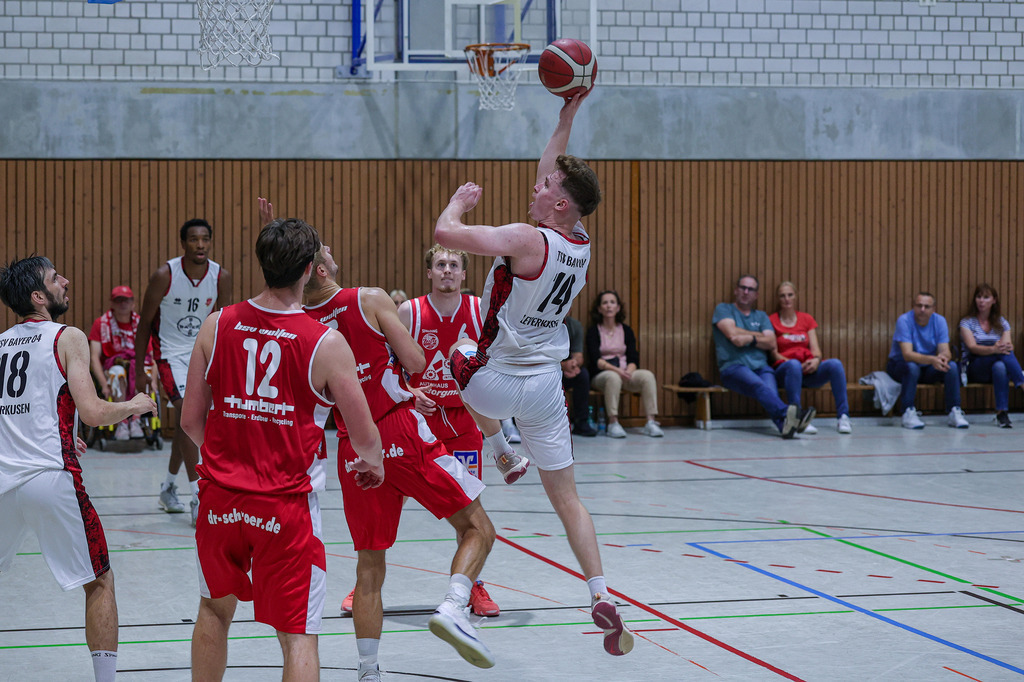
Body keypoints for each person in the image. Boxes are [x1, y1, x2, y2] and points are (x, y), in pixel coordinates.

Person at [435, 90, 636, 658]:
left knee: (458, 351)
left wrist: (457, 204)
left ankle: (501, 451)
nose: (537, 184)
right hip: (547, 387)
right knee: (568, 498)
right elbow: (555, 168)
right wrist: (568, 112)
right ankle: (600, 592)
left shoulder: (525, 240)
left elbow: (445, 234)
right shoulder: (581, 242)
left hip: (496, 380)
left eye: (546, 186)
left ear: (561, 204)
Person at [180, 218, 384, 682]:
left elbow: (190, 420)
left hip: (220, 500)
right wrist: (373, 463)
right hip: (285, 507)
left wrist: (231, 457)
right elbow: (365, 435)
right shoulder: (326, 342)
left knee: (213, 611)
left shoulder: (217, 324)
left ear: (262, 263)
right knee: (298, 634)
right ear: (310, 269)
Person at [298, 229, 497, 678]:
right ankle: (453, 606)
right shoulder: (368, 298)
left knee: (369, 567)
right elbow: (417, 361)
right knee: (479, 528)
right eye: (325, 248)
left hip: (352, 445)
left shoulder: (302, 321)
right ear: (321, 269)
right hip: (399, 431)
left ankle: (368, 670)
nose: (331, 248)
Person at [0, 256, 157, 682]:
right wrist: (133, 405)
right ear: (39, 297)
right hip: (50, 478)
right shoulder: (67, 336)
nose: (65, 282)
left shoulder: (1, 343)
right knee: (99, 581)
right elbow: (92, 411)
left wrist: (63, 433)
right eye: (56, 279)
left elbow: (19, 409)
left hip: (4, 482)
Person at [395, 244, 500, 617]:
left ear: (464, 274)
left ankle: (473, 586)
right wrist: (409, 392)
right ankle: (365, 583)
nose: (447, 270)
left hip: (463, 422)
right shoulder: (409, 312)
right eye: (440, 264)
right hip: (416, 422)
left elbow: (495, 362)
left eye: (454, 265)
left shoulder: (478, 310)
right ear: (429, 272)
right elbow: (385, 365)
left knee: (469, 511)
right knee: (390, 503)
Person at [134, 218, 232, 524]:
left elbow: (222, 325)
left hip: (202, 354)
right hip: (169, 355)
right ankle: (198, 497)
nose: (200, 245)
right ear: (183, 243)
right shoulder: (164, 275)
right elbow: (144, 325)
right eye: (193, 239)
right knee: (190, 415)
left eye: (205, 239)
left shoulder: (221, 277)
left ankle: (168, 488)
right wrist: (140, 370)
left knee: (186, 423)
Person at [712, 275, 814, 438]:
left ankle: (785, 427)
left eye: (750, 289)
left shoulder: (761, 316)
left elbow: (772, 342)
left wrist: (750, 339)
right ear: (736, 290)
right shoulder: (724, 309)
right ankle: (796, 415)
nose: (746, 292)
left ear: (756, 295)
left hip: (762, 368)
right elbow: (732, 335)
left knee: (770, 392)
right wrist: (759, 336)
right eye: (743, 288)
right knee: (760, 386)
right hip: (734, 367)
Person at [769, 281, 852, 434]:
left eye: (790, 295)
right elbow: (774, 354)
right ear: (777, 299)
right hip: (785, 371)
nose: (786, 299)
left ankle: (843, 416)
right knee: (794, 365)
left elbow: (816, 351)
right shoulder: (772, 320)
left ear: (795, 296)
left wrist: (815, 361)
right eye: (782, 296)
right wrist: (795, 364)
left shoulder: (806, 319)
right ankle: (798, 418)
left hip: (807, 371)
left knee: (835, 364)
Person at [585, 290, 663, 438]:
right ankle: (613, 423)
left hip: (625, 372)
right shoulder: (594, 331)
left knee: (647, 376)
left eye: (612, 302)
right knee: (613, 377)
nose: (609, 306)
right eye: (605, 303)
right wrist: (618, 371)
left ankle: (651, 422)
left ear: (618, 307)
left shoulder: (626, 330)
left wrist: (629, 371)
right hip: (602, 374)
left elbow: (633, 357)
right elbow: (596, 360)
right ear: (599, 309)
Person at [887, 291, 968, 429]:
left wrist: (943, 358)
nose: (922, 309)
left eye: (927, 306)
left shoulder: (940, 321)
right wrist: (932, 359)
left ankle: (954, 411)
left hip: (926, 367)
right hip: (901, 366)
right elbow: (907, 355)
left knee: (952, 367)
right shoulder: (904, 320)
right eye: (919, 305)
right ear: (913, 306)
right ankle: (907, 411)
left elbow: (945, 351)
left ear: (933, 309)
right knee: (912, 367)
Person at [88, 285, 157, 440]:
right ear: (112, 303)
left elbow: (153, 357)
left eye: (126, 300)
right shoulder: (101, 323)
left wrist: (153, 381)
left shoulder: (142, 324)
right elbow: (94, 358)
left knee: (142, 373)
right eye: (118, 300)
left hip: (138, 365)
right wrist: (103, 384)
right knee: (118, 373)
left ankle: (136, 420)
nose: (123, 304)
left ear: (133, 303)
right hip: (112, 367)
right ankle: (123, 422)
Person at [959, 283, 1024, 428]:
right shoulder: (967, 322)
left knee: (1001, 365)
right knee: (1002, 355)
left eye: (986, 297)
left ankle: (1002, 413)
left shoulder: (1002, 322)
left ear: (994, 300)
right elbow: (973, 348)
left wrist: (1002, 348)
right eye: (979, 297)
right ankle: (1021, 381)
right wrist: (994, 349)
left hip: (997, 367)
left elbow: (1007, 346)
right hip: (976, 367)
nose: (981, 301)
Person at [563, 315, 596, 436]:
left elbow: (578, 354)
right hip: (547, 368)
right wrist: (562, 365)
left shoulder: (574, 325)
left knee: (583, 375)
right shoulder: (544, 321)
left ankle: (581, 422)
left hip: (568, 368)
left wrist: (574, 364)